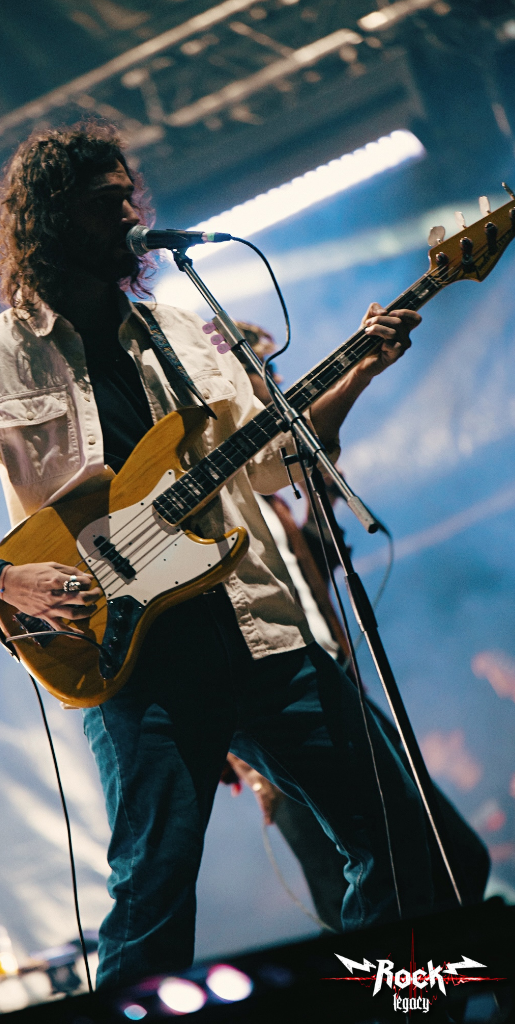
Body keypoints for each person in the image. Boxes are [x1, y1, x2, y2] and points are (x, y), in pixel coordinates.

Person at [0, 123, 434, 989]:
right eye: (104, 204)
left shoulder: (182, 332)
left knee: (403, 842)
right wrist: (4, 575)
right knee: (151, 901)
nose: (128, 215)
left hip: (260, 629)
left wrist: (358, 372)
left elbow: (271, 461)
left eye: (128, 197)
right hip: (133, 659)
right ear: (50, 220)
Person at [221, 322, 490, 933]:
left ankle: (452, 978)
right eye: (261, 374)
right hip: (278, 714)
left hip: (337, 685)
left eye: (273, 372)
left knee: (455, 861)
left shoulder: (275, 502)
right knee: (357, 889)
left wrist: (325, 497)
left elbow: (312, 568)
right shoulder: (221, 501)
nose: (275, 384)